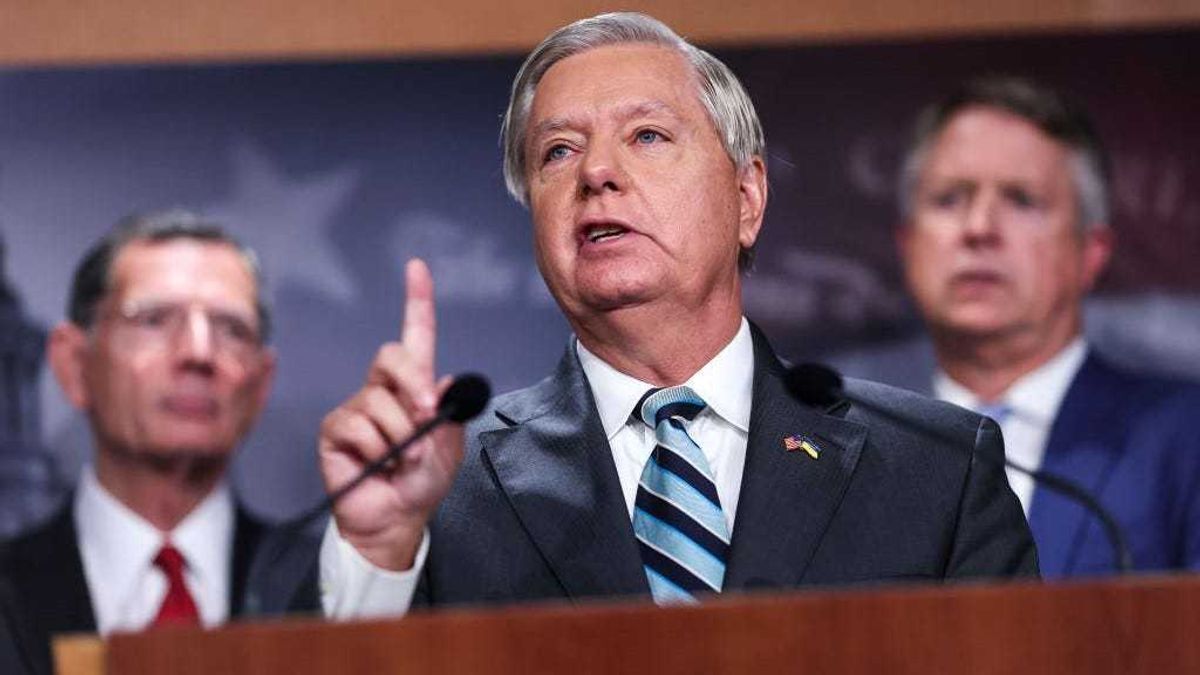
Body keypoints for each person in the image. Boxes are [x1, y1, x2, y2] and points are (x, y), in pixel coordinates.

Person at [316, 13, 1036, 618]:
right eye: (559, 151)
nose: (597, 173)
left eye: (647, 136)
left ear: (747, 198)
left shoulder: (938, 469)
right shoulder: (441, 488)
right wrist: (380, 555)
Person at [896, 76, 1200, 577]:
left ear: (1091, 252)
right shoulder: (842, 442)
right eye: (950, 199)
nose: (979, 228)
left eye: (1022, 200)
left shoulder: (1183, 437)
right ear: (908, 245)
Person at [0, 211, 309, 674]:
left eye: (232, 329)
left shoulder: (326, 588)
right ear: (74, 365)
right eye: (153, 320)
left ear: (261, 384)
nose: (198, 353)